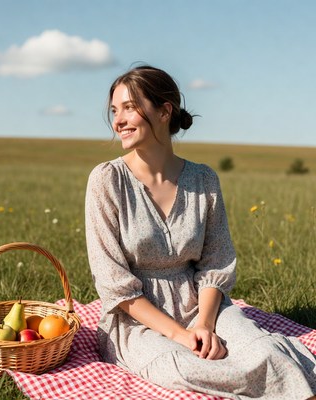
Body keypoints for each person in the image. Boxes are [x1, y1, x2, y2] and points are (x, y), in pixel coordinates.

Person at [85, 65, 316, 399]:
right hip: (136, 321)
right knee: (186, 367)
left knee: (266, 353)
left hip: (203, 305)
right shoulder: (107, 180)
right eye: (114, 110)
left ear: (164, 111)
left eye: (130, 108)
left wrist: (204, 323)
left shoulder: (204, 180)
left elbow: (216, 263)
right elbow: (112, 282)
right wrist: (180, 335)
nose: (118, 120)